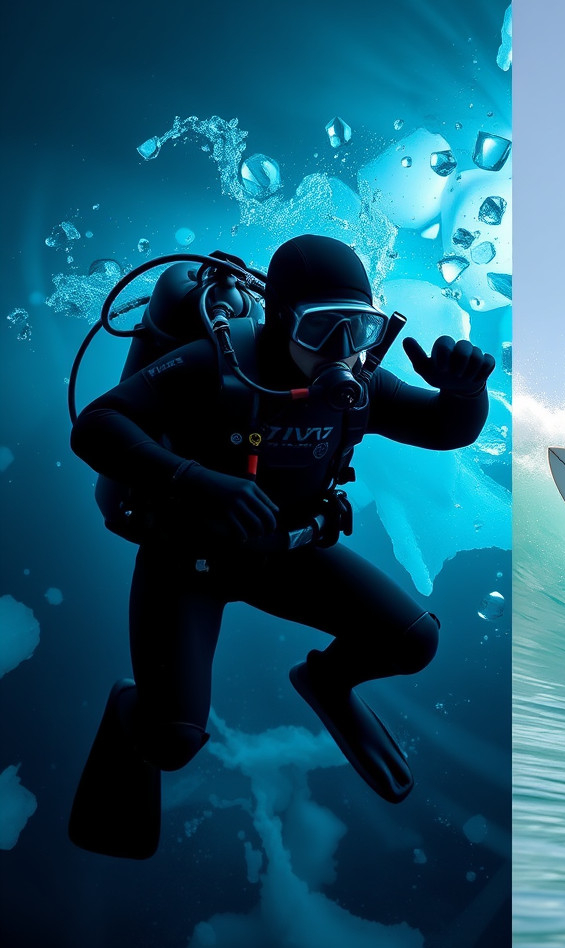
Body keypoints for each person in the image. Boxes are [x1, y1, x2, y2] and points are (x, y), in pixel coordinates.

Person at [68, 233, 495, 859]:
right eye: (323, 328)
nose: (343, 350)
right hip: (187, 560)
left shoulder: (358, 386)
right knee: (172, 742)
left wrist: (465, 392)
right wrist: (196, 481)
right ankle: (135, 707)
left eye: (359, 327)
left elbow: (442, 428)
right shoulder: (216, 365)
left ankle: (327, 682)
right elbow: (97, 426)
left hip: (286, 553)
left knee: (413, 640)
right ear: (276, 318)